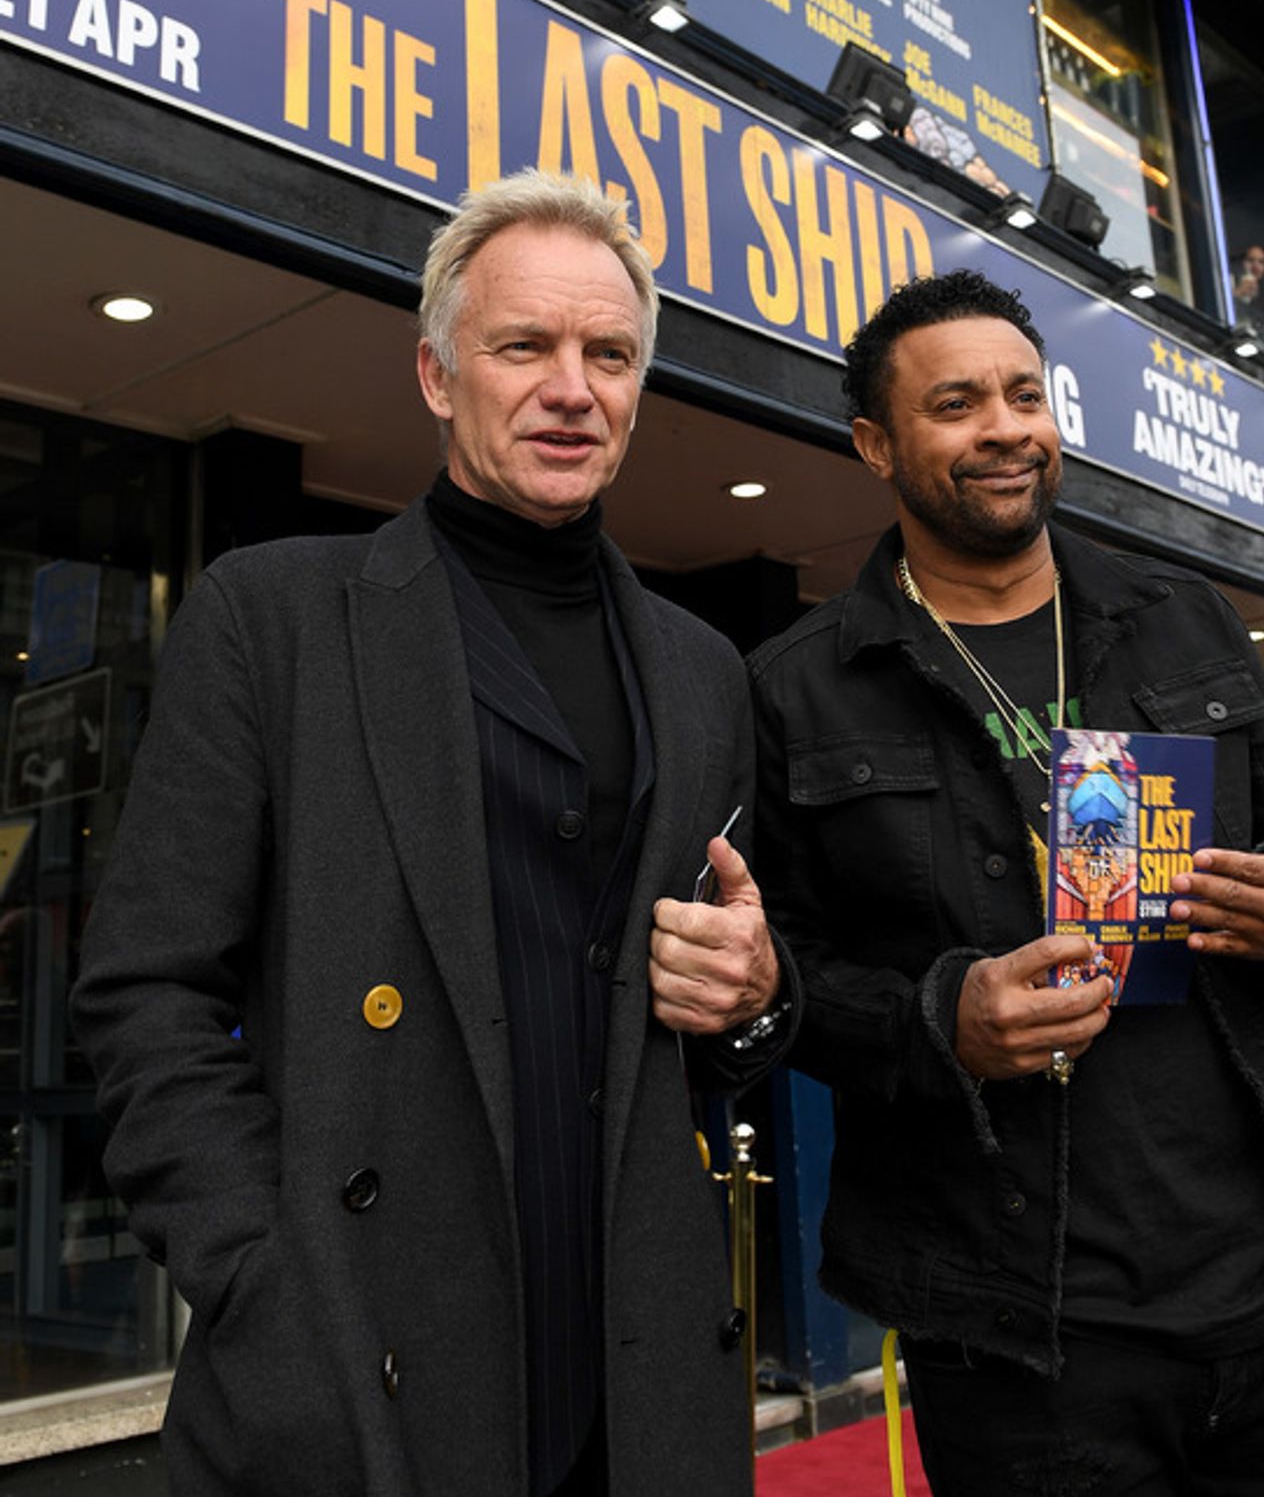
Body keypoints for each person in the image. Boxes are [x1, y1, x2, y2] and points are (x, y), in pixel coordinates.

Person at [72, 170, 795, 1497]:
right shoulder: (274, 617)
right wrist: (262, 1280)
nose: (572, 387)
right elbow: (146, 990)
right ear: (435, 373)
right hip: (365, 1358)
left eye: (610, 354)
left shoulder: (703, 673)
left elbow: (717, 1024)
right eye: (524, 345)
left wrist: (752, 997)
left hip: (639, 1386)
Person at [750, 267, 1264, 1496]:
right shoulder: (793, 689)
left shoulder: (1179, 617)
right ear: (874, 445)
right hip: (1020, 1345)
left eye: (1023, 395)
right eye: (955, 403)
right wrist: (944, 1018)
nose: (1005, 427)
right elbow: (778, 988)